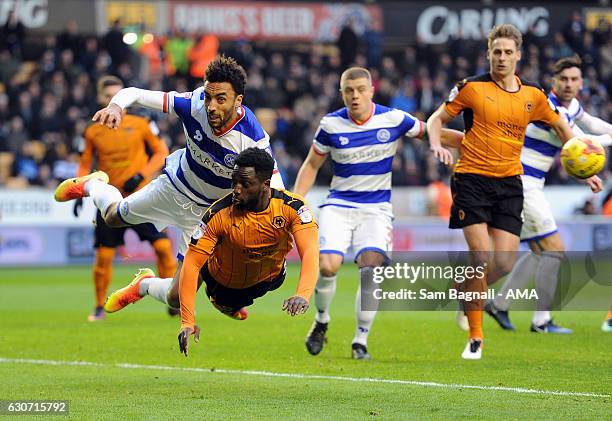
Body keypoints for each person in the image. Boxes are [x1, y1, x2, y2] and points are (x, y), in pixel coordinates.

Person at [54, 55, 285, 315]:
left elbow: (276, 192)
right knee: (112, 216)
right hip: (175, 188)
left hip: (207, 217)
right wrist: (116, 106)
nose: (211, 106)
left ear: (238, 101)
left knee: (177, 297)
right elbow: (134, 93)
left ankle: (144, 285)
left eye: (221, 99)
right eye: (209, 96)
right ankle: (93, 185)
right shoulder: (192, 104)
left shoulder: (251, 139)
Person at [427, 24, 602, 360]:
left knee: (504, 263)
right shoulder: (470, 88)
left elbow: (563, 128)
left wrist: (586, 171)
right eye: (496, 52)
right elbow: (437, 118)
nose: (502, 58)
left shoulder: (533, 96)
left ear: (518, 56)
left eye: (508, 52)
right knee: (480, 256)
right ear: (489, 54)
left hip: (510, 184)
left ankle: (465, 291)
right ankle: (475, 338)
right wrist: (436, 143)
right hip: (472, 179)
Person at [295, 66, 459, 360]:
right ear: (342, 93)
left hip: (376, 209)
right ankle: (321, 320)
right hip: (339, 204)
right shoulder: (331, 125)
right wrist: (295, 201)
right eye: (349, 91)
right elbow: (310, 165)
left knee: (371, 268)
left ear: (371, 90)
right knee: (328, 265)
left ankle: (360, 340)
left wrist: (471, 142)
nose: (355, 96)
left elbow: (429, 130)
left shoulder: (393, 119)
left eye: (360, 90)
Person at [485, 55, 612, 334]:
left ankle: (499, 304)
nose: (568, 84)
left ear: (582, 82)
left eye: (574, 79)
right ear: (554, 82)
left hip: (529, 184)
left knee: (538, 250)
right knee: (553, 249)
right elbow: (581, 142)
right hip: (521, 183)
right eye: (563, 79)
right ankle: (541, 320)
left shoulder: (572, 106)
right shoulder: (550, 108)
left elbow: (591, 122)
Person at [171, 148, 317, 356]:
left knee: (263, 283)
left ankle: (232, 305)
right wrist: (187, 321)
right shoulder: (218, 214)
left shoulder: (291, 207)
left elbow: (310, 251)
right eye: (234, 182)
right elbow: (192, 263)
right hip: (223, 283)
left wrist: (303, 294)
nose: (237, 190)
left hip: (270, 277)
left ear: (266, 184)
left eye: (245, 184)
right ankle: (145, 286)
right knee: (174, 296)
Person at [76, 76, 175, 321]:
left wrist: (142, 174)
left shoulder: (142, 123)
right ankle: (100, 306)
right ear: (101, 98)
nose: (114, 100)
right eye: (108, 96)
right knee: (105, 255)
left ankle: (174, 299)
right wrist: (80, 190)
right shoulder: (91, 130)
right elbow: (85, 163)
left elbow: (162, 151)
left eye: (118, 95)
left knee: (163, 247)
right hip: (110, 200)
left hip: (143, 197)